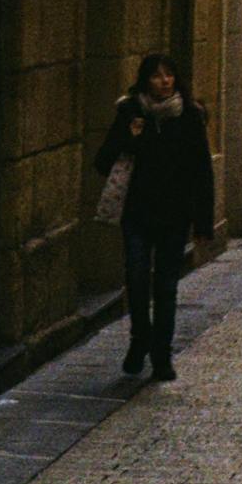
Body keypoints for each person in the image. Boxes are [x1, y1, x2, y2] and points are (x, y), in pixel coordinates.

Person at [93, 54, 215, 379]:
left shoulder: (190, 116)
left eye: (170, 75)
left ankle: (161, 356)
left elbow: (202, 171)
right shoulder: (131, 112)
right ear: (145, 80)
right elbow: (103, 161)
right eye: (158, 76)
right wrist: (129, 135)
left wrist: (203, 223)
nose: (165, 81)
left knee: (165, 286)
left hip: (174, 216)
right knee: (135, 278)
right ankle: (139, 338)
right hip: (137, 213)